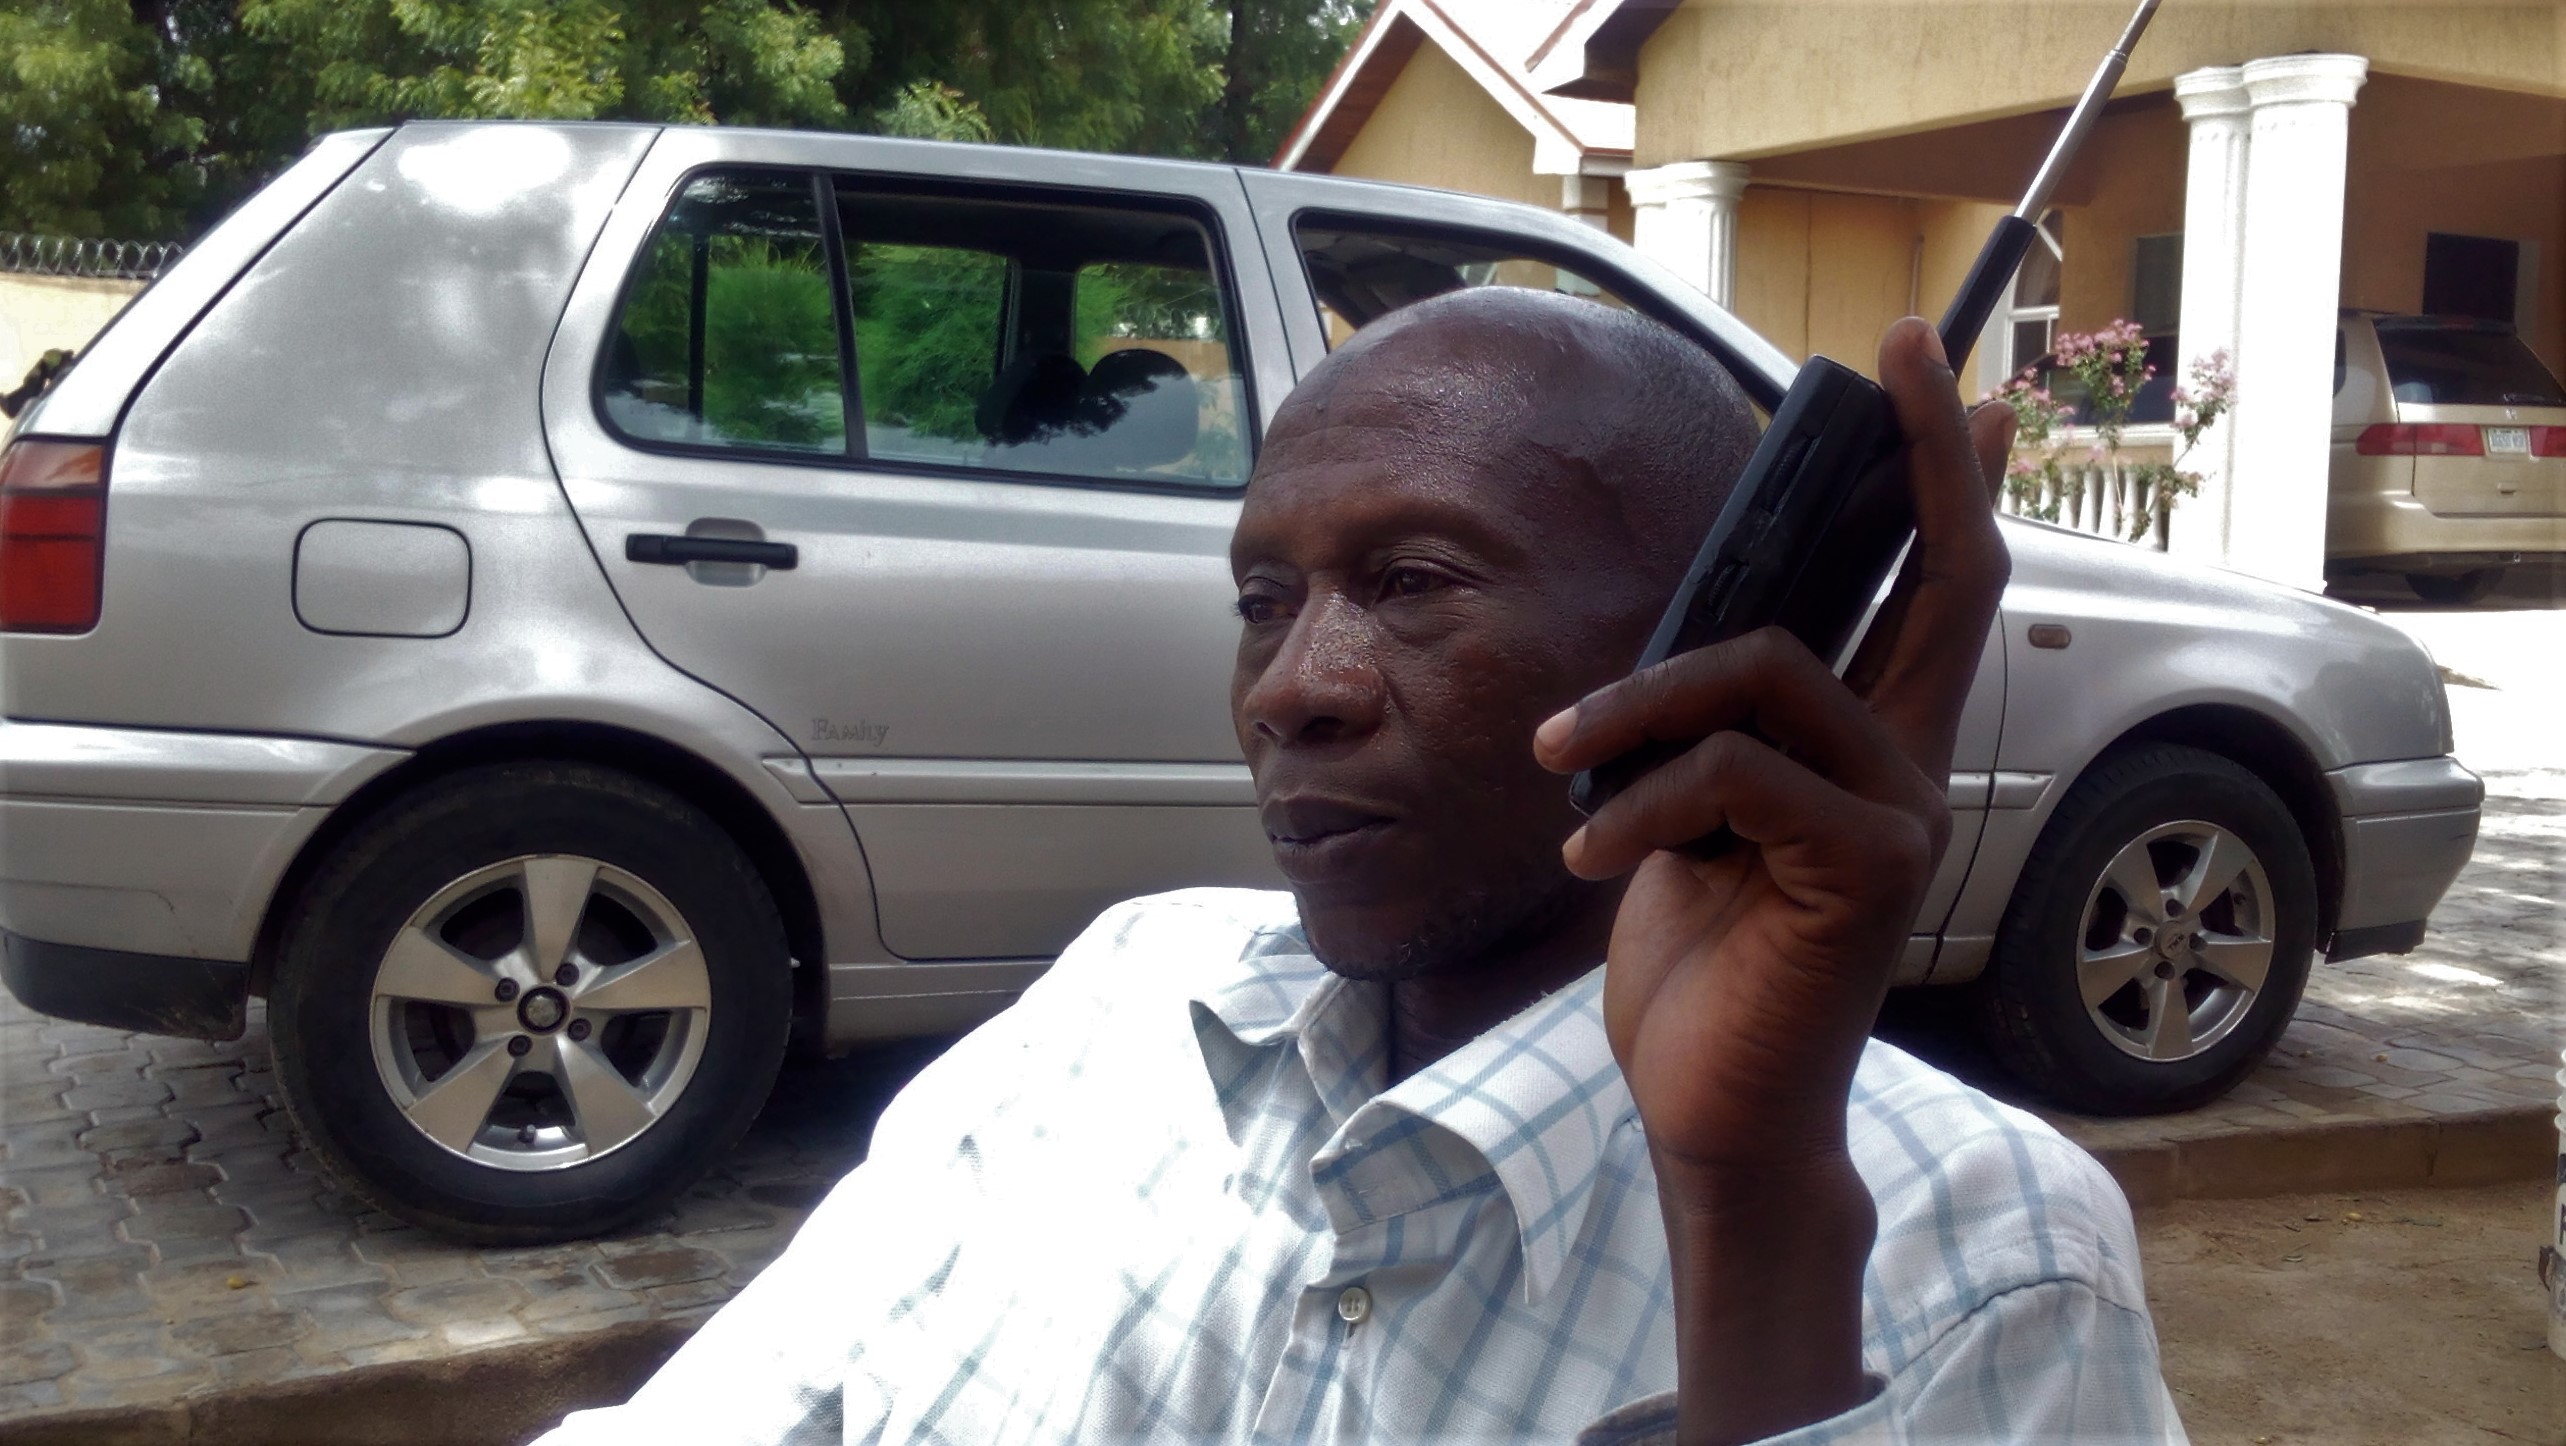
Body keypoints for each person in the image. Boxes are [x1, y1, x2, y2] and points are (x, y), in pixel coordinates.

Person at [533, 289, 2184, 1445]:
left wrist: (1747, 1208)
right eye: (1261, 600)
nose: (1287, 687)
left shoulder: (1978, 1250)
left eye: (1409, 581)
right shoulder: (1120, 997)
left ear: (1725, 660)